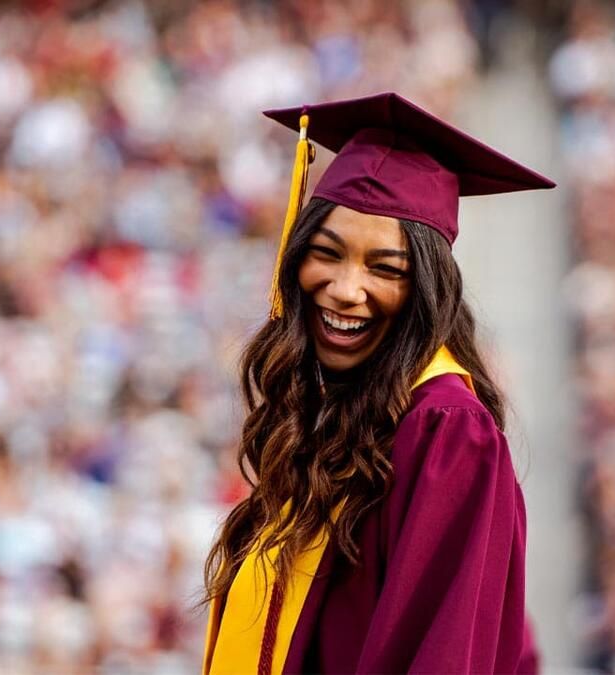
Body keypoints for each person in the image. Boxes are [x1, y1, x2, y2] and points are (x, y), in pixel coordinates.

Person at [201, 92, 554, 674]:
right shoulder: (327, 412)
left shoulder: (447, 433)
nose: (344, 288)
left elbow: (441, 656)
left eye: (385, 268)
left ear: (426, 290)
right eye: (326, 254)